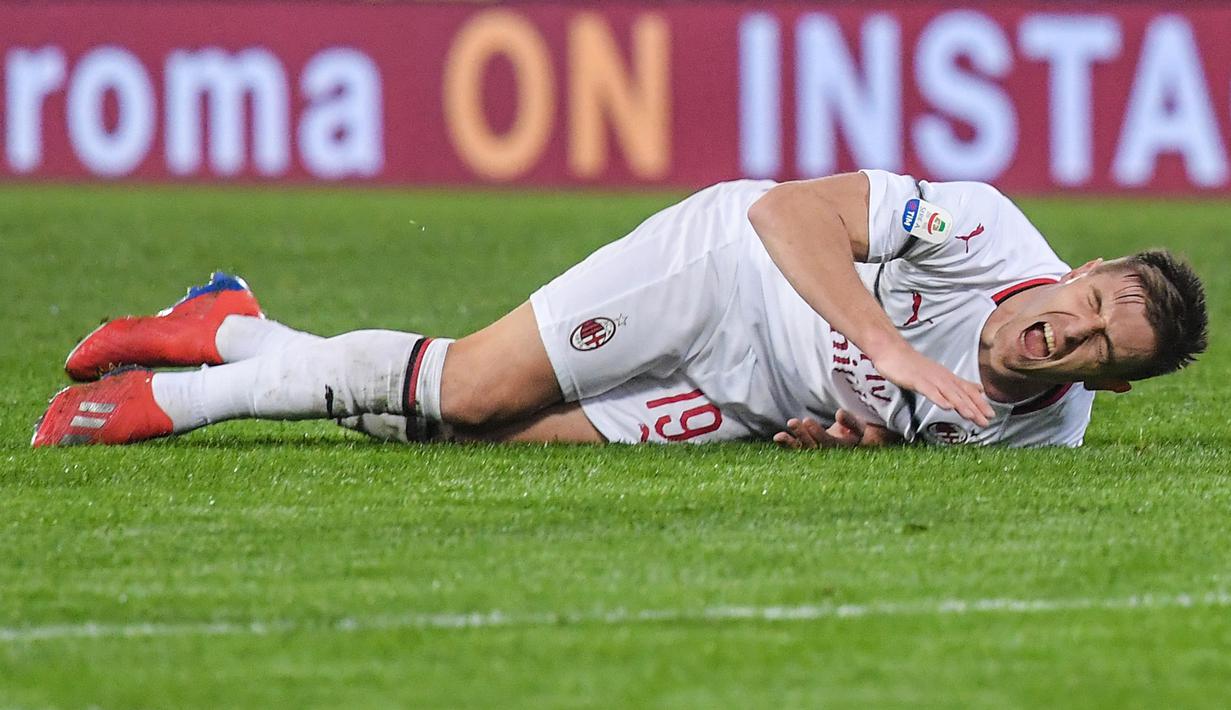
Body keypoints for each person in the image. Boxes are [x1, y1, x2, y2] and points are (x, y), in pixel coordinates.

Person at [31, 170, 1207, 449]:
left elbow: (880, 432)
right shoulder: (987, 230)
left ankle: (232, 325)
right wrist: (888, 347)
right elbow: (790, 216)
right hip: (724, 268)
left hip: (751, 393)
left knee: (479, 433)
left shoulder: (1041, 433)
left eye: (1101, 346)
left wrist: (832, 431)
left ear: (1103, 383)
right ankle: (181, 399)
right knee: (471, 382)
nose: (1070, 328)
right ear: (1079, 265)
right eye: (1089, 298)